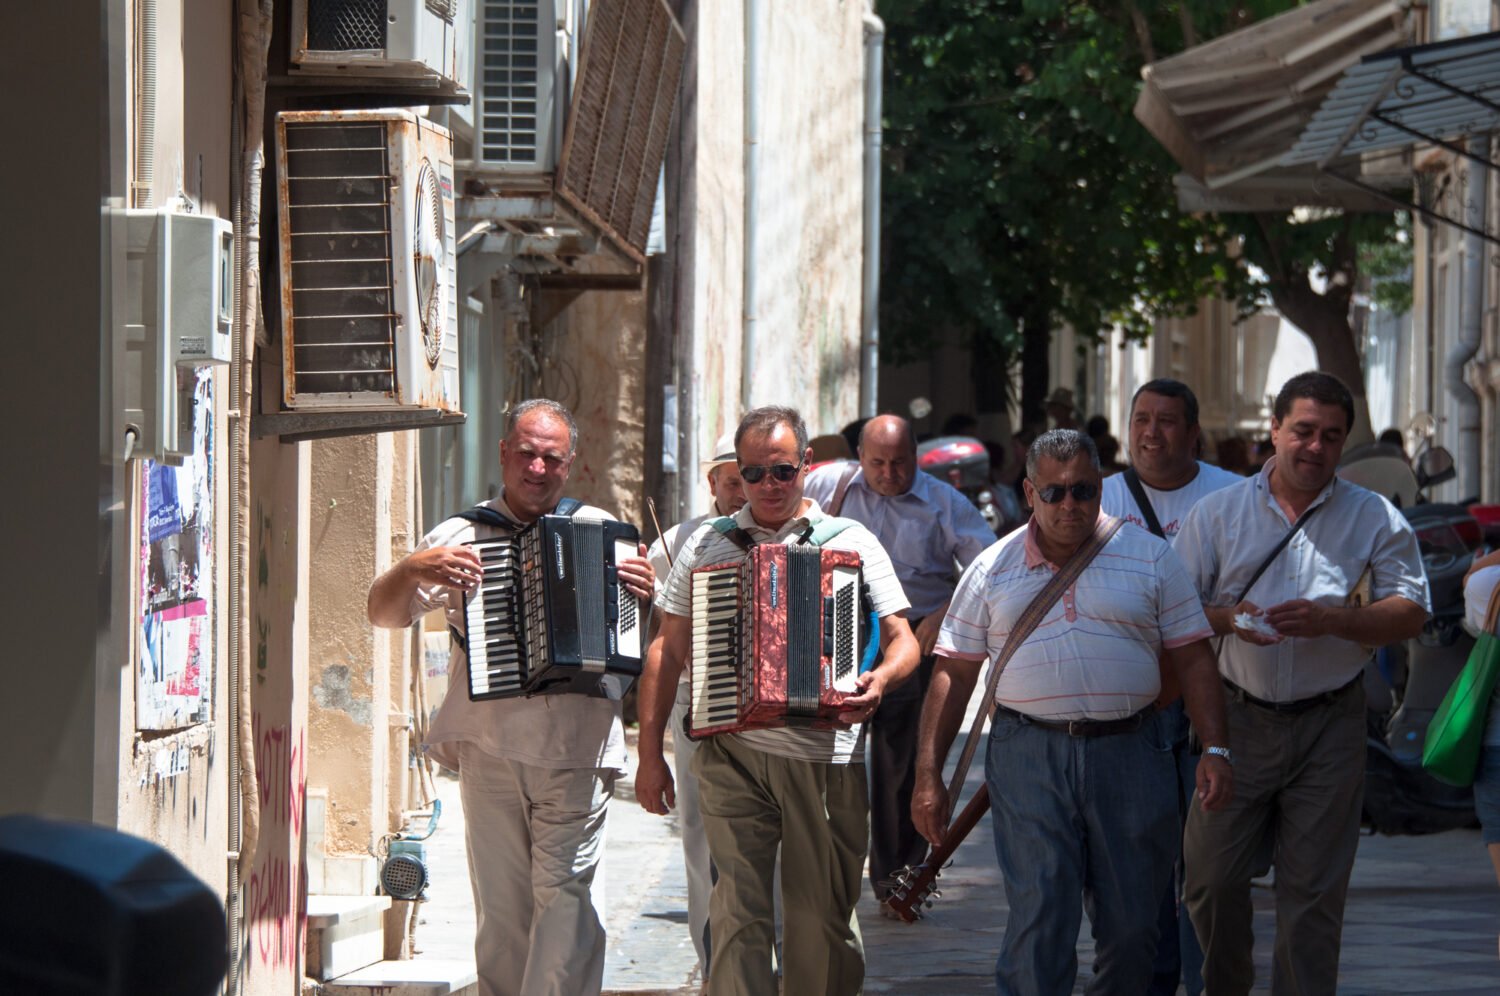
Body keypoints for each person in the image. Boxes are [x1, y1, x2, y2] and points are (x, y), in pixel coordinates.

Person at [912, 428, 1233, 995]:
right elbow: (953, 672)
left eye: (1083, 490)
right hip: (1028, 756)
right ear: (1029, 493)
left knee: (1135, 928)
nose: (1070, 504)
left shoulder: (1152, 558)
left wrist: (1215, 747)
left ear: (1100, 490)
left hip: (1133, 755)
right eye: (1054, 492)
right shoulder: (991, 567)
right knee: (1041, 919)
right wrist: (927, 778)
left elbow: (1195, 659)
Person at [366, 399, 656, 996]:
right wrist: (412, 568)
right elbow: (383, 613)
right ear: (504, 454)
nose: (538, 467)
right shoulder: (459, 536)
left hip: (578, 747)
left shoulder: (605, 533)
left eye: (552, 457)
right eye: (526, 453)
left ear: (569, 464)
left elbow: (631, 647)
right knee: (501, 912)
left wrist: (643, 598)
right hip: (490, 748)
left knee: (567, 900)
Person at [634, 405, 920, 995]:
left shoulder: (852, 541)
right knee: (737, 912)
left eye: (782, 472)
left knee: (820, 918)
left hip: (823, 758)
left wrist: (882, 679)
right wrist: (650, 753)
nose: (768, 486)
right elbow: (667, 646)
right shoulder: (708, 546)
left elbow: (903, 639)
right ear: (737, 472)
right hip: (729, 751)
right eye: (754, 473)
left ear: (805, 468)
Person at [1173, 372, 1429, 995]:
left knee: (1313, 896)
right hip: (1236, 720)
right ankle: (1226, 986)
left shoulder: (1373, 516)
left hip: (1330, 724)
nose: (1315, 447)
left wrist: (1333, 621)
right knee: (1209, 881)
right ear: (1275, 431)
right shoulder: (1219, 513)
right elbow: (1174, 614)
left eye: (1332, 437)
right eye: (1304, 432)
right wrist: (1231, 620)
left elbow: (1411, 609)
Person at [803, 414, 994, 910]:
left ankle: (899, 882)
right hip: (838, 635)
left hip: (913, 640)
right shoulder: (830, 484)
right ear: (859, 457)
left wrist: (947, 611)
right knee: (833, 757)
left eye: (899, 463)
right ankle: (825, 873)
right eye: (878, 463)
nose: (888, 473)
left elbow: (989, 568)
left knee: (902, 767)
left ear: (917, 457)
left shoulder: (943, 502)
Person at [1099, 378, 1243, 996]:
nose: (1151, 434)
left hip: (1213, 701)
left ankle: (1206, 977)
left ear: (1193, 433)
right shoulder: (1092, 497)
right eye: (1141, 420)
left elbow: (1247, 604)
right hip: (1129, 706)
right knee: (1138, 856)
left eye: (1166, 422)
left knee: (1207, 862)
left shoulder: (1234, 498)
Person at [644, 432, 747, 976]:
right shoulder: (672, 546)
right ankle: (715, 967)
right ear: (713, 484)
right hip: (699, 705)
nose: (741, 491)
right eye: (732, 481)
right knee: (700, 837)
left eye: (750, 478)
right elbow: (663, 641)